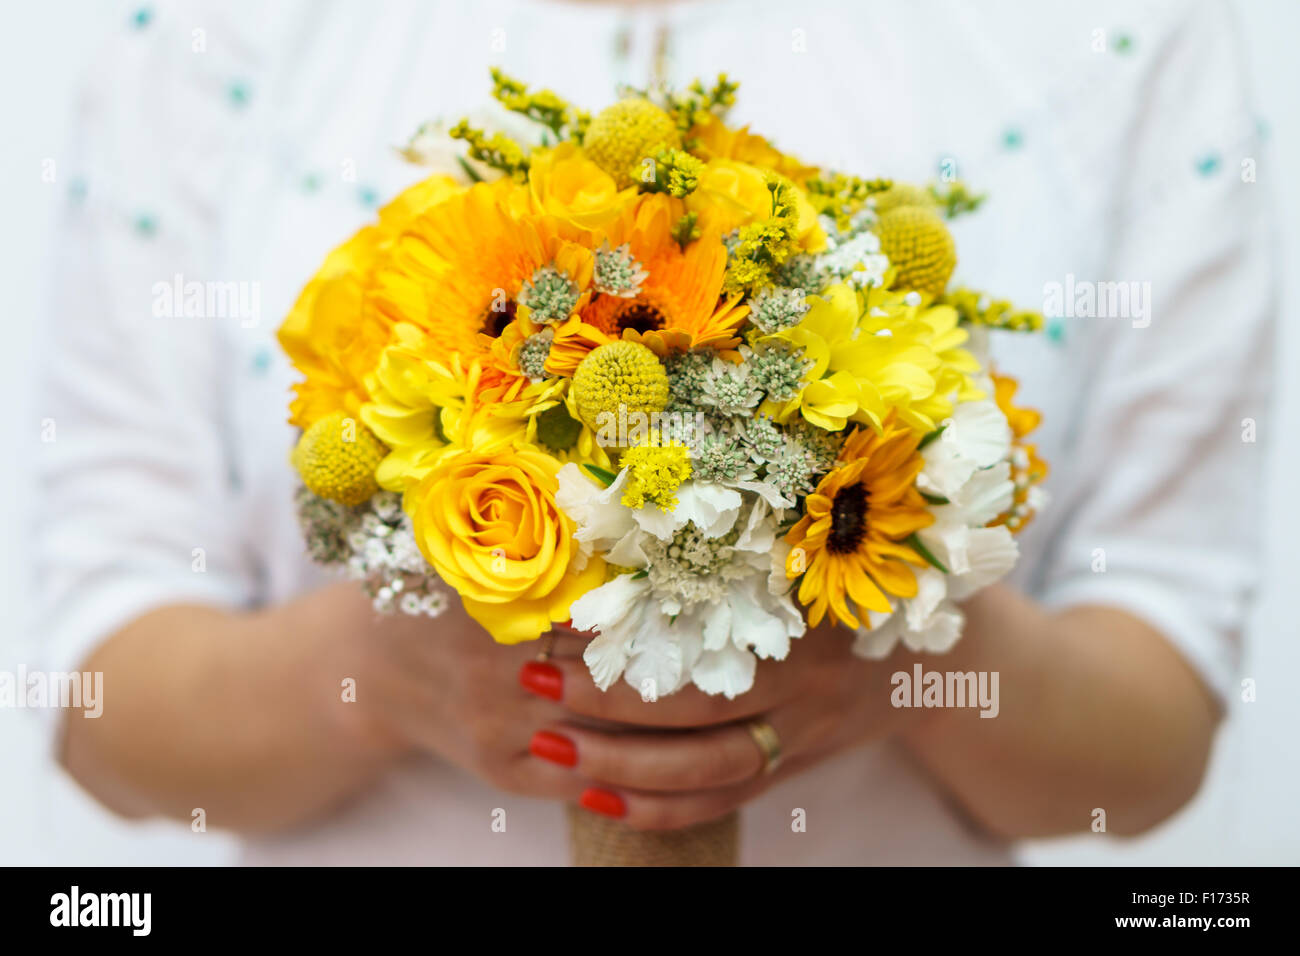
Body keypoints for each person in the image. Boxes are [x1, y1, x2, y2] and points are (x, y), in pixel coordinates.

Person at [38, 0, 1273, 864]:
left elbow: (1155, 732)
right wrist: (375, 681)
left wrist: (912, 645)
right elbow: (100, 697)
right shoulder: (212, 39)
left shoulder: (1112, 34)